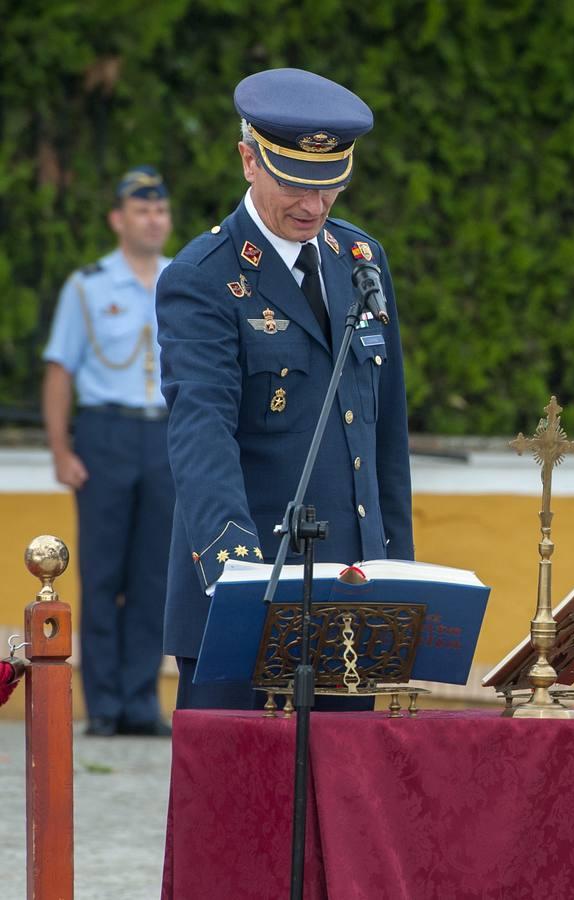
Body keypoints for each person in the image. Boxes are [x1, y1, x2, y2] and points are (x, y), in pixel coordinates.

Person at [156, 68, 413, 710]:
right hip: (248, 596)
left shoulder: (361, 260)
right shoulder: (203, 277)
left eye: (331, 186)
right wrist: (238, 576)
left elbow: (386, 434)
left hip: (353, 603)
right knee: (239, 806)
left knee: (344, 809)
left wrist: (398, 575)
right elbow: (201, 433)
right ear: (249, 160)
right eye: (295, 183)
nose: (314, 206)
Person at [42, 166, 175, 737]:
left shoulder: (181, 280)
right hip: (105, 434)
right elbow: (59, 370)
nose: (154, 220)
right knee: (101, 573)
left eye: (161, 211)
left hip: (165, 436)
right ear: (118, 220)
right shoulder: (88, 286)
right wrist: (59, 449)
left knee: (154, 577)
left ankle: (141, 700)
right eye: (142, 211)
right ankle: (103, 705)